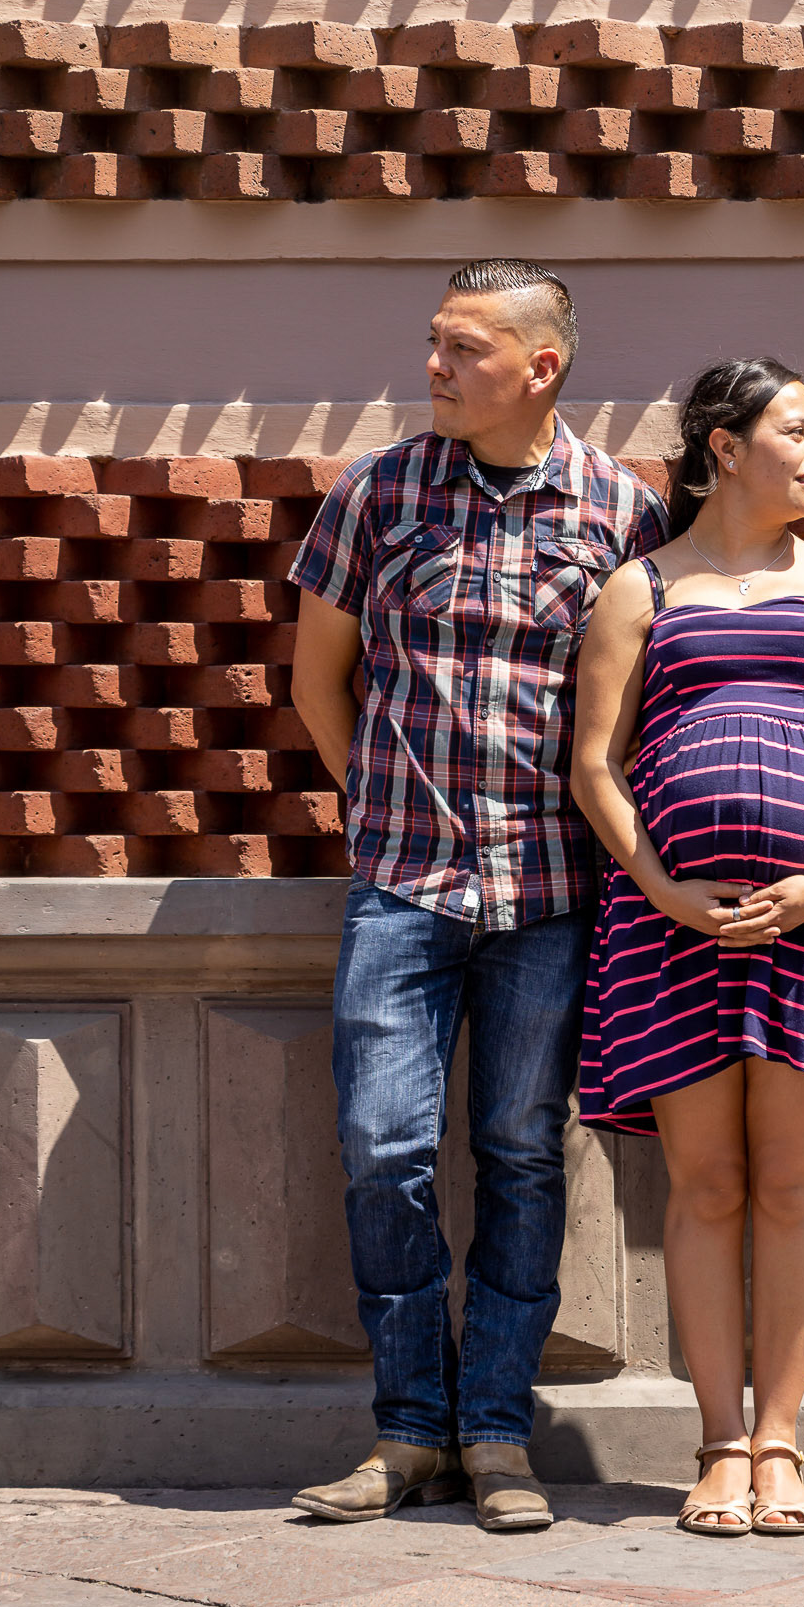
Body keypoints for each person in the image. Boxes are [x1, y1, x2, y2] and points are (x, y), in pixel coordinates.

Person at [286, 259, 667, 1532]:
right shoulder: (378, 493)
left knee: (519, 1156)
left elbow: (640, 702)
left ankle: (495, 1432)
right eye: (433, 344)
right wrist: (387, 810)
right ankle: (408, 1433)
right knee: (383, 1151)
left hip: (555, 890)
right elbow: (317, 681)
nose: (434, 366)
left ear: (540, 365)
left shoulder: (623, 509)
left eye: (462, 348)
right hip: (402, 884)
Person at [570, 357, 804, 1539]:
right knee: (706, 1184)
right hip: (671, 932)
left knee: (790, 1186)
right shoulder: (641, 591)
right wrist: (661, 883)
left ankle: (781, 1443)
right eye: (801, 430)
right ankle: (718, 1443)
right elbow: (595, 767)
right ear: (725, 445)